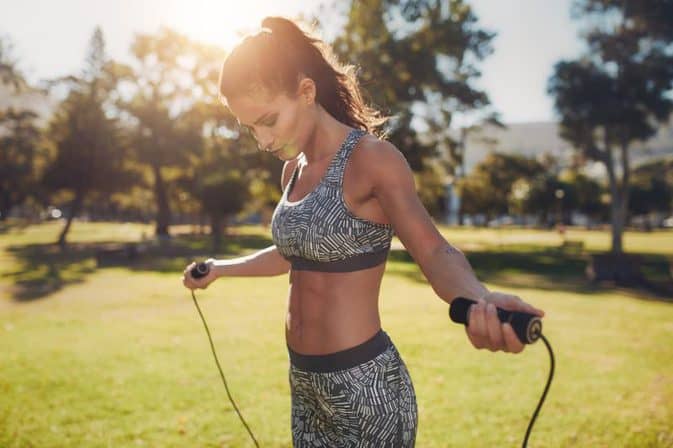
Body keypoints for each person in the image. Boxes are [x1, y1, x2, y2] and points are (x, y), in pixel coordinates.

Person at [182, 16, 545, 447]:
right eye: (251, 128)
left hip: (366, 390)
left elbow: (433, 251)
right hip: (306, 388)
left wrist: (480, 300)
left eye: (268, 120)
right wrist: (222, 268)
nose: (262, 139)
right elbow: (294, 253)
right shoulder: (291, 172)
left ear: (306, 91)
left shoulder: (373, 160)